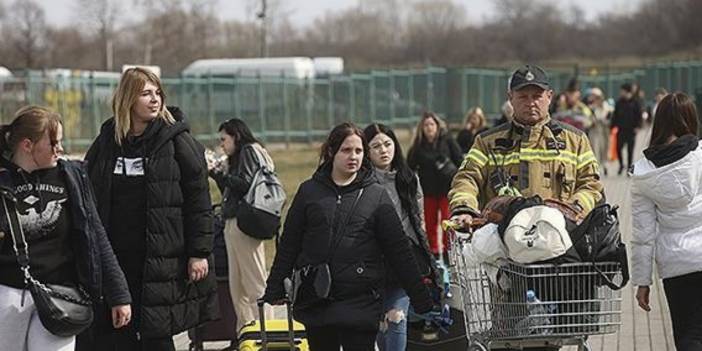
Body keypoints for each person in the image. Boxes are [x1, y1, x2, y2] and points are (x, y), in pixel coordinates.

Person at [264, 122, 434, 351]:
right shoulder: (309, 192)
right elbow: (289, 244)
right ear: (331, 152)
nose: (353, 156)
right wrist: (274, 286)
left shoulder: (376, 196)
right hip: (317, 298)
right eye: (346, 150)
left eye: (359, 151)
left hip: (360, 300)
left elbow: (399, 250)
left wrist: (421, 296)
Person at [81, 67, 218, 350]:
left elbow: (199, 201)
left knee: (156, 336)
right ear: (128, 99)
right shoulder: (108, 140)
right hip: (116, 259)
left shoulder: (177, 141)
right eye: (146, 93)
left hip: (160, 260)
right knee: (116, 332)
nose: (155, 99)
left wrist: (199, 252)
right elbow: (87, 193)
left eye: (158, 93)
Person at [0, 106, 131, 351]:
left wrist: (119, 294)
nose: (60, 148)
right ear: (28, 145)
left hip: (60, 295)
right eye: (53, 142)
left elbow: (95, 235)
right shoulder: (3, 178)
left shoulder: (70, 176)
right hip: (7, 294)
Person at [449, 64, 603, 252]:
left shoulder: (576, 140)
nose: (530, 103)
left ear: (549, 97)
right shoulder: (486, 142)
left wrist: (572, 211)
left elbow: (591, 184)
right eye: (523, 96)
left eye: (537, 96)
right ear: (510, 98)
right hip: (504, 249)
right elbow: (467, 178)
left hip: (561, 244)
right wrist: (464, 208)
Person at [631, 92, 702, 351]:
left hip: (677, 264)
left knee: (689, 337)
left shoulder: (644, 173)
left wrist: (643, 281)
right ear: (691, 119)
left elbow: (642, 234)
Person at [363, 123, 436, 351]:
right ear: (367, 152)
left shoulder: (408, 178)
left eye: (387, 144)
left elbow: (419, 220)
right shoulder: (361, 183)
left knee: (397, 316)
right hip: (371, 261)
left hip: (405, 258)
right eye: (376, 146)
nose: (383, 150)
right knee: (381, 323)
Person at [208, 118, 274, 333]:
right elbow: (230, 190)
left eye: (224, 139)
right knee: (237, 286)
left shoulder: (249, 151)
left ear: (235, 136)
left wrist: (220, 174)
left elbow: (245, 184)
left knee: (254, 283)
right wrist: (216, 173)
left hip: (245, 224)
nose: (222, 145)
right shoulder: (238, 156)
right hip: (232, 223)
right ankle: (247, 332)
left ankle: (267, 332)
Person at [407, 112, 462, 256]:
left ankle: (447, 250)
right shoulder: (418, 145)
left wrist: (453, 172)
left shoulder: (447, 141)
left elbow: (460, 161)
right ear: (422, 128)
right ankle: (433, 251)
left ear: (437, 126)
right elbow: (409, 167)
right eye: (426, 125)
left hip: (446, 190)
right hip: (428, 190)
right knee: (430, 224)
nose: (429, 127)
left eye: (432, 124)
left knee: (446, 222)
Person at [611, 83, 643, 175]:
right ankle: (621, 164)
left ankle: (629, 167)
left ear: (627, 91)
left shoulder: (635, 102)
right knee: (618, 148)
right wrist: (612, 126)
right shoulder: (619, 102)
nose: (621, 93)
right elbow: (615, 116)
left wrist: (638, 127)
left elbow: (639, 116)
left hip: (631, 130)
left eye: (622, 91)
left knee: (630, 150)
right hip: (621, 130)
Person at [586, 87, 613, 176]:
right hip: (594, 131)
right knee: (594, 149)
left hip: (604, 131)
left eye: (596, 96)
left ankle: (605, 165)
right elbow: (588, 119)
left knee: (604, 149)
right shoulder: (590, 107)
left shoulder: (606, 106)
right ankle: (595, 167)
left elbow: (609, 118)